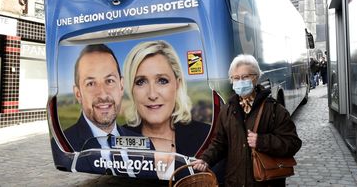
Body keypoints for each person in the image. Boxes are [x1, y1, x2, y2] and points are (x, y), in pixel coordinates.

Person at [192, 54, 302, 187]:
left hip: (265, 181)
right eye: (236, 78)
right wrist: (206, 159)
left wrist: (262, 141)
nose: (240, 81)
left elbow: (293, 143)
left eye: (245, 77)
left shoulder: (274, 109)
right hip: (234, 181)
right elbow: (219, 142)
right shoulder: (227, 110)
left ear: (256, 78)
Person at [122, 40, 210, 180]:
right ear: (131, 90)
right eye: (140, 82)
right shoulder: (117, 138)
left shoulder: (207, 136)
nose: (152, 94)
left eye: (162, 81)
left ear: (178, 85)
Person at [51, 44, 139, 175]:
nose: (102, 94)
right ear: (78, 93)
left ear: (121, 86)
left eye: (109, 81)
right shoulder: (64, 144)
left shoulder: (142, 140)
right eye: (91, 84)